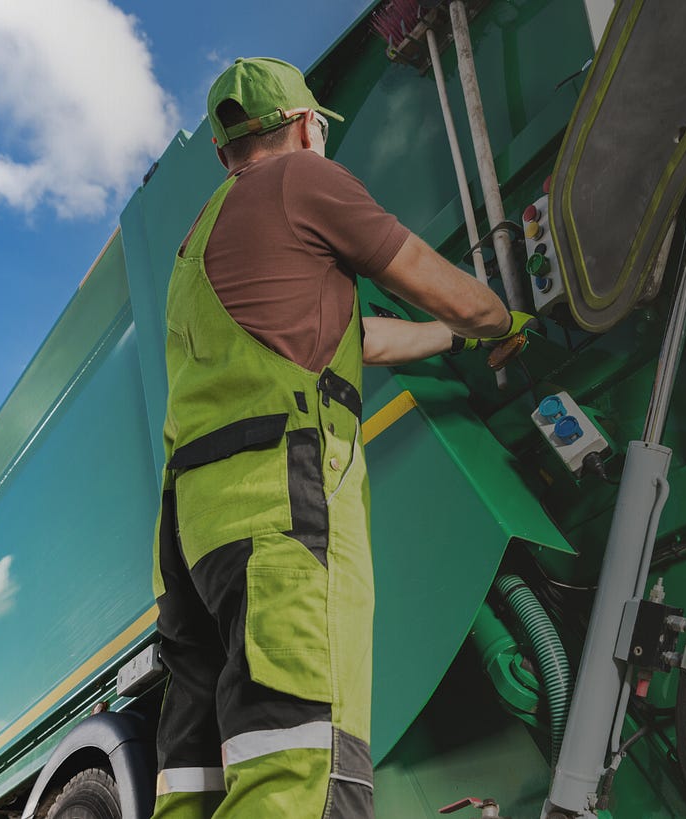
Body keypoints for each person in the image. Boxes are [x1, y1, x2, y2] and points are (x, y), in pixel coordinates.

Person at [149, 57, 529, 819]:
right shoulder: (303, 180)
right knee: (304, 770)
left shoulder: (196, 247)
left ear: (224, 151)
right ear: (304, 124)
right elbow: (430, 278)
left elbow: (359, 337)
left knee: (197, 784)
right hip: (282, 510)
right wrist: (499, 319)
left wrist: (450, 340)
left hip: (195, 538)